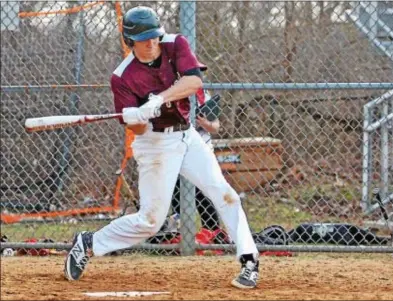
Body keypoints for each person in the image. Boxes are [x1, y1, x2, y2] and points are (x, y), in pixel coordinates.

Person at [63, 6, 260, 289]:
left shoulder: (175, 44)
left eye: (154, 36)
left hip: (186, 136)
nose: (151, 43)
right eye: (144, 39)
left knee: (225, 193)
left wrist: (159, 99)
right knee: (151, 221)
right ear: (130, 41)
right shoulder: (122, 77)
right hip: (154, 144)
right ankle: (90, 243)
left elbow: (193, 81)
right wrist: (136, 118)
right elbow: (137, 129)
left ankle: (249, 260)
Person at [167, 91, 222, 233]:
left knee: (203, 190)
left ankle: (212, 231)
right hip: (178, 147)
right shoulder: (171, 91)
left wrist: (204, 123)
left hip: (201, 149)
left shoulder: (203, 95)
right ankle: (177, 232)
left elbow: (215, 126)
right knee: (177, 189)